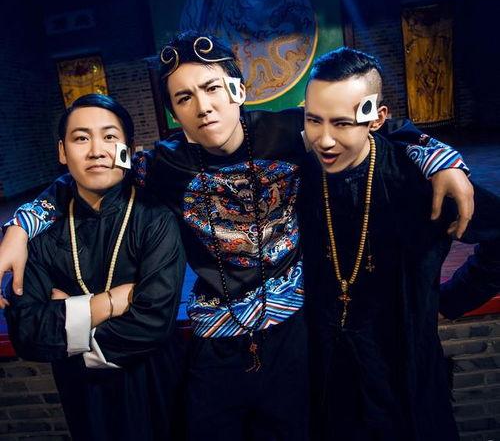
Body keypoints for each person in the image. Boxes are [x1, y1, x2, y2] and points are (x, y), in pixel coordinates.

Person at [0, 32, 474, 441]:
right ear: (173, 111)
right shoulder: (160, 164)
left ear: (238, 89)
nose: (203, 106)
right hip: (215, 336)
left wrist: (441, 159)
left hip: (293, 329)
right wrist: (21, 225)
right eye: (184, 98)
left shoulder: (293, 131)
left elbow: (371, 130)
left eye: (211, 88)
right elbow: (89, 170)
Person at [300, 47, 500, 441]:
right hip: (329, 381)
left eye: (342, 123)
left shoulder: (419, 180)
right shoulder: (301, 170)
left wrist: (453, 298)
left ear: (376, 118)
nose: (324, 140)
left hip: (403, 377)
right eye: (313, 120)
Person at [5, 94, 186, 441]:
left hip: (155, 380)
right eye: (81, 138)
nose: (96, 151)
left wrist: (68, 320)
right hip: (82, 392)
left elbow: (155, 321)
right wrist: (108, 304)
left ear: (127, 149)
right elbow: (27, 332)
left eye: (109, 136)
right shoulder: (38, 232)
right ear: (62, 151)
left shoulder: (155, 217)